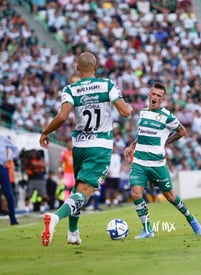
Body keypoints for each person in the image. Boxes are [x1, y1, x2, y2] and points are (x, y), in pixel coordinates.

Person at [39, 51, 132, 246]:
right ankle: (55, 218)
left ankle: (73, 233)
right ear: (96, 67)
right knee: (85, 192)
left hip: (79, 146)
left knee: (78, 188)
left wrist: (46, 131)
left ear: (77, 68)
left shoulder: (70, 89)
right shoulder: (107, 85)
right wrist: (129, 108)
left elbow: (62, 117)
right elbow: (124, 112)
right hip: (100, 147)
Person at [124, 82, 201, 239]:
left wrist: (165, 142)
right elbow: (141, 134)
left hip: (157, 164)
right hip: (139, 161)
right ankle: (147, 229)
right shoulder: (143, 112)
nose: (155, 97)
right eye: (153, 94)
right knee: (136, 193)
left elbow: (182, 131)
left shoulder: (167, 116)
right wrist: (132, 146)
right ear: (149, 95)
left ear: (163, 99)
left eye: (158, 96)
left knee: (171, 197)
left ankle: (191, 218)